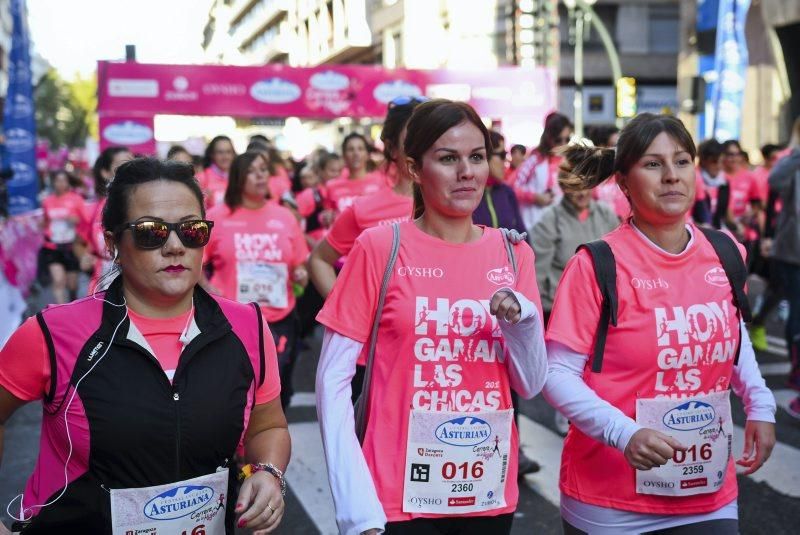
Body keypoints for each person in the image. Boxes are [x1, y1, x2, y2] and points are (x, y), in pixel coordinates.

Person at [0, 158, 289, 534]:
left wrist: (267, 472)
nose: (174, 246)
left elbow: (269, 428)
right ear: (112, 242)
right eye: (150, 232)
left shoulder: (247, 325)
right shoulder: (52, 332)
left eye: (192, 230)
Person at [315, 99, 548, 535]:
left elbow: (530, 383)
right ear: (414, 169)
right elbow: (331, 381)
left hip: (486, 489)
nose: (467, 172)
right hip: (394, 497)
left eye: (477, 157)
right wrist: (355, 505)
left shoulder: (514, 254)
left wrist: (525, 323)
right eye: (447, 158)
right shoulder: (379, 247)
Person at [542, 113, 776, 534]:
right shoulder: (596, 264)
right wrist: (624, 433)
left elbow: (733, 332)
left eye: (682, 161)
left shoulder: (726, 252)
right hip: (610, 502)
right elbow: (556, 372)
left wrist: (760, 402)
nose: (671, 176)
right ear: (624, 182)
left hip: (707, 492)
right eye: (653, 164)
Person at [203, 151, 310, 409]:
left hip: (279, 318)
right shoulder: (218, 216)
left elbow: (300, 265)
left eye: (264, 169)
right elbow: (194, 262)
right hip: (232, 319)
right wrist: (209, 290)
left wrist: (301, 275)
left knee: (276, 389)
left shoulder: (284, 217)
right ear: (239, 177)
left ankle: (268, 443)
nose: (261, 175)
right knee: (235, 390)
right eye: (252, 170)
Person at [764, 118, 800, 418]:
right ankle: (796, 367)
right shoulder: (792, 163)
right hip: (792, 253)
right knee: (797, 312)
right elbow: (774, 181)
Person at [76, 146, 132, 294]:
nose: (130, 170)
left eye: (132, 164)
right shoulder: (91, 210)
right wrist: (85, 257)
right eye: (122, 166)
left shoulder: (148, 207)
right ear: (105, 173)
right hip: (103, 283)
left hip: (140, 283)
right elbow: (78, 243)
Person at [510, 112, 573, 229]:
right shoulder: (535, 159)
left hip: (560, 227)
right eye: (558, 140)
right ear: (549, 137)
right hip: (533, 227)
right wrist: (535, 197)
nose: (564, 144)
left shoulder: (568, 161)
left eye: (567, 139)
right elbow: (513, 188)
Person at [40, 170, 85, 304]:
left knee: (72, 285)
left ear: (68, 183)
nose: (60, 183)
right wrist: (41, 225)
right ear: (53, 182)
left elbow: (84, 221)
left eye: (64, 180)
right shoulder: (47, 201)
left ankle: (72, 300)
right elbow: (46, 221)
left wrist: (75, 220)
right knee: (58, 281)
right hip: (52, 246)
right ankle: (60, 311)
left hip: (71, 246)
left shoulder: (76, 199)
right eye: (58, 180)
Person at [473, 131, 526, 234]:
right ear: (484, 155)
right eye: (502, 155)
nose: (505, 160)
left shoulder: (507, 192)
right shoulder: (468, 194)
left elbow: (522, 236)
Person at [324, 133, 384, 215]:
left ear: (367, 155)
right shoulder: (332, 186)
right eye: (350, 149)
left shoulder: (381, 181)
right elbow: (327, 214)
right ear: (344, 156)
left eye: (360, 149)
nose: (356, 153)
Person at [198, 135, 237, 208]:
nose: (225, 156)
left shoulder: (240, 177)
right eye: (220, 152)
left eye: (228, 152)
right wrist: (204, 200)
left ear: (233, 154)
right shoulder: (201, 178)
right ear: (212, 154)